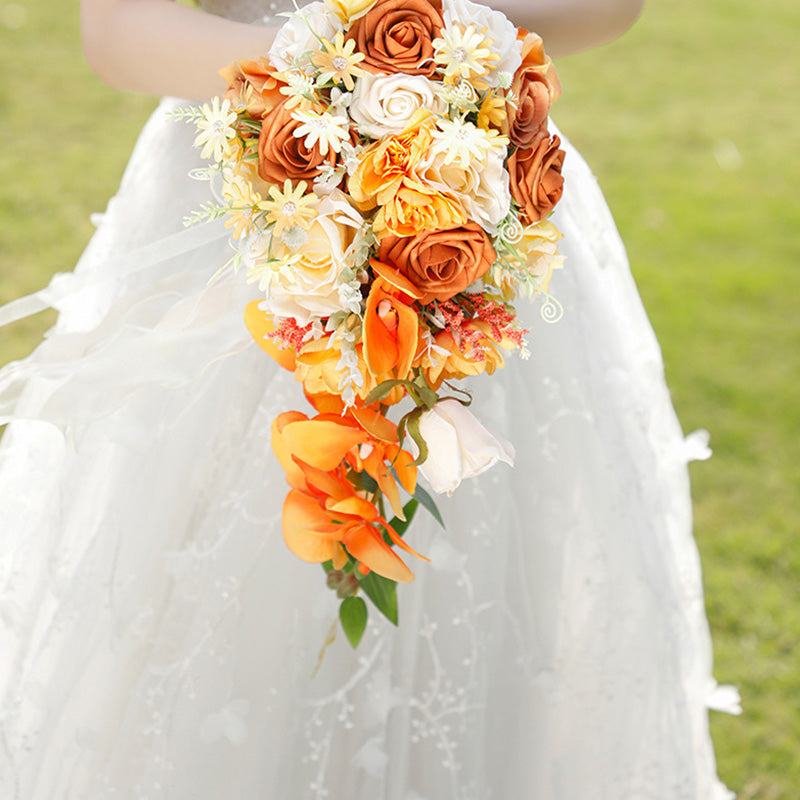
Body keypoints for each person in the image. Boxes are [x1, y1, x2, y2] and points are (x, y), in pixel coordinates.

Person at [0, 0, 738, 797]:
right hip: (253, 195)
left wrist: (457, 67)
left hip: (474, 189)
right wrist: (339, 77)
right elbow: (118, 33)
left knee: (482, 546)